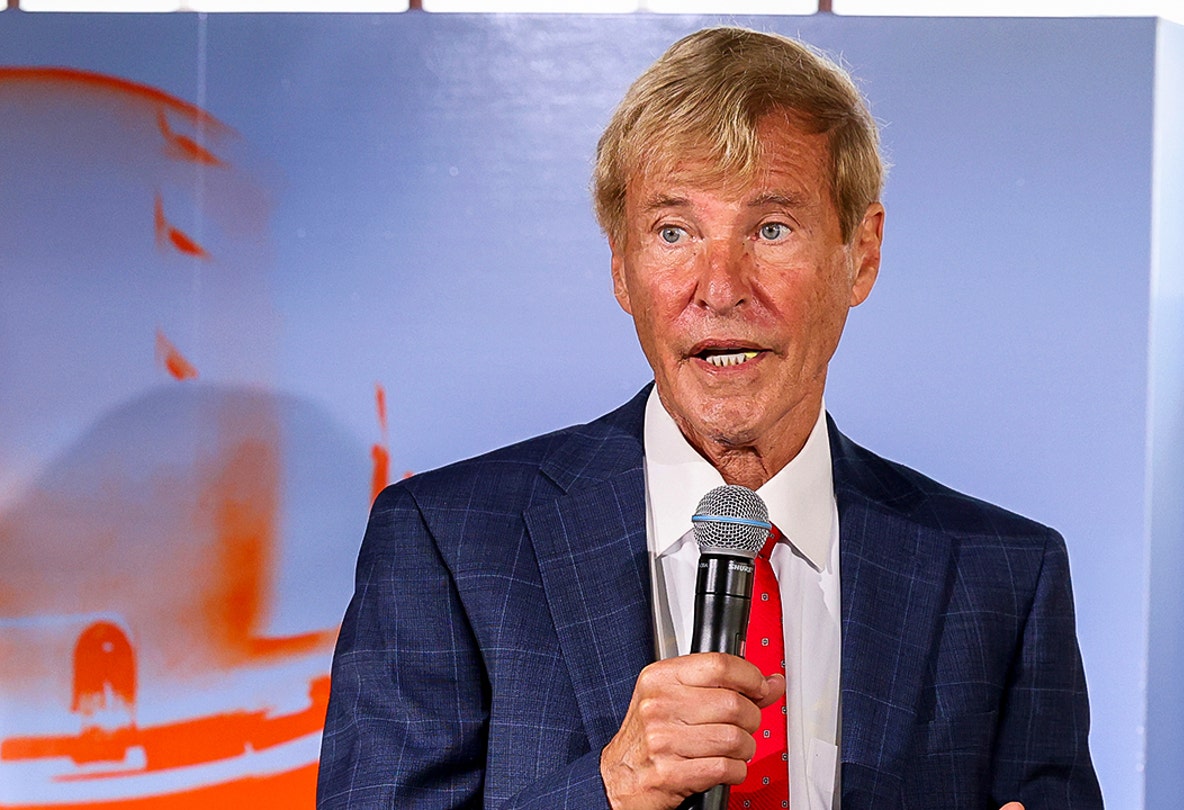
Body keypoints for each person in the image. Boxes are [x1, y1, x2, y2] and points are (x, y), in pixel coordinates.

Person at [318, 26, 1102, 810]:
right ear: (621, 266)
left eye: (771, 229)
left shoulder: (1003, 576)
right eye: (674, 232)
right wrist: (610, 788)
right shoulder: (449, 545)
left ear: (860, 254)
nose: (720, 288)